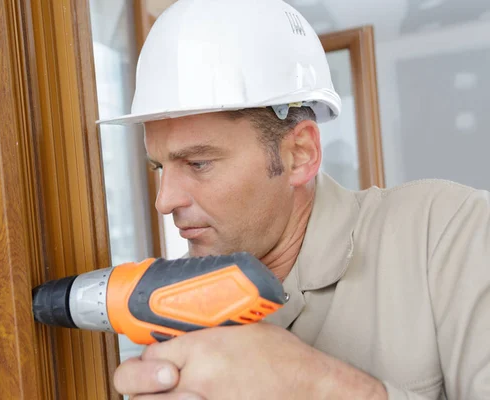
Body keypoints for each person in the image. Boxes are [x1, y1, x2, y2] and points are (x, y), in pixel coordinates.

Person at [97, 0, 490, 398]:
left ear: (299, 154)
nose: (164, 201)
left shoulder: (446, 234)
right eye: (159, 167)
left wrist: (313, 384)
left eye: (198, 163)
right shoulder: (172, 308)